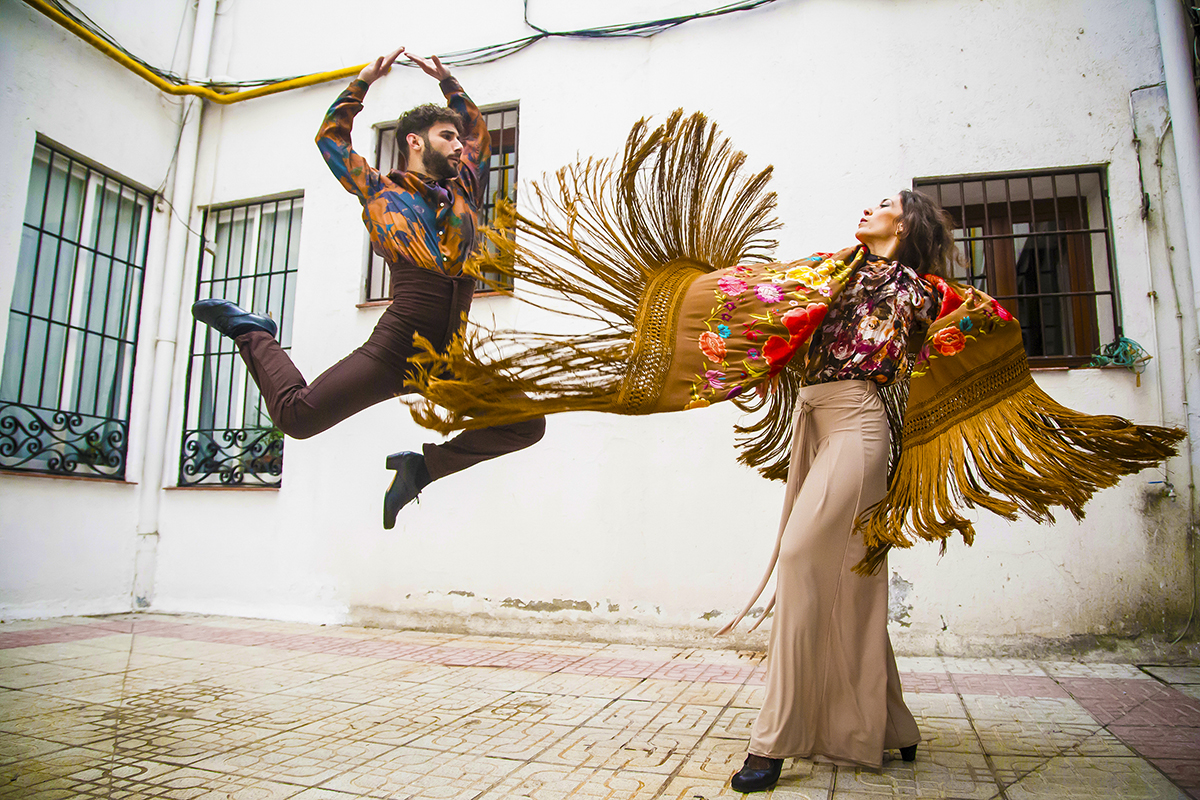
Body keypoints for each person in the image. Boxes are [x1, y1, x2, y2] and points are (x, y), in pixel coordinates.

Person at [403, 111, 1182, 790]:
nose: (868, 209)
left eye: (882, 205)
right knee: (847, 574)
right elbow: (763, 306)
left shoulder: (917, 289)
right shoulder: (832, 272)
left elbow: (985, 326)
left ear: (905, 226)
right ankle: (890, 724)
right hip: (814, 422)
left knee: (806, 558)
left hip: (862, 426)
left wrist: (986, 363)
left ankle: (773, 742)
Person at [192, 47, 544, 528]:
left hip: (448, 360)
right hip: (396, 346)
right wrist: (361, 84)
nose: (460, 146)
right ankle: (253, 332)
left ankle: (418, 470)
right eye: (447, 137)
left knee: (526, 422)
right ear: (415, 142)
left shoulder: (466, 188)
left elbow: (479, 134)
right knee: (297, 419)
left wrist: (449, 84)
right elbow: (331, 140)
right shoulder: (380, 190)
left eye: (459, 139)